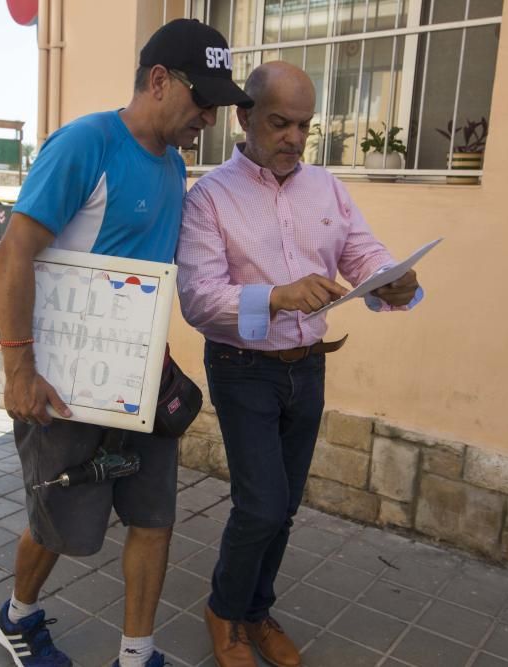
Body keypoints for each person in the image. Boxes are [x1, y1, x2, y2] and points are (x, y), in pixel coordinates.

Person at [0, 19, 253, 667]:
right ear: (159, 81)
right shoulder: (85, 143)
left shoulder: (172, 168)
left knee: (154, 516)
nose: (210, 119)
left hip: (141, 381)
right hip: (64, 384)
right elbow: (14, 253)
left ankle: (137, 653)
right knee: (61, 525)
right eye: (204, 100)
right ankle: (17, 616)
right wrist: (18, 369)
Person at [176, 61, 424, 667]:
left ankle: (256, 612)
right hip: (242, 367)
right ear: (245, 117)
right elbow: (198, 298)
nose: (292, 138)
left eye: (303, 127)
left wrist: (390, 281)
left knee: (284, 507)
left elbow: (361, 251)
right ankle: (224, 612)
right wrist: (278, 295)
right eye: (279, 123)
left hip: (307, 368)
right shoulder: (210, 196)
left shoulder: (326, 188)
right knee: (259, 504)